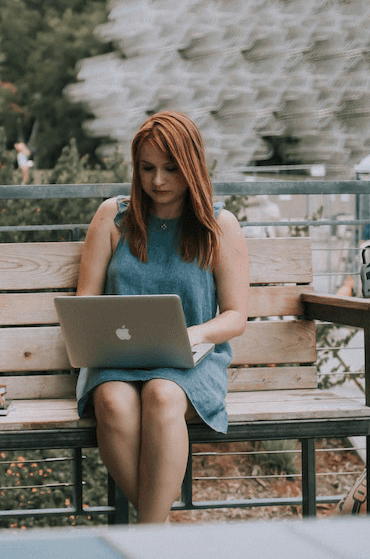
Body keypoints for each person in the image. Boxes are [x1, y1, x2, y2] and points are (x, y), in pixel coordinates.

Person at [74, 110, 249, 523]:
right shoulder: (112, 218)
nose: (157, 181)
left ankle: (149, 539)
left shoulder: (219, 226)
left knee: (161, 393)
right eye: (147, 168)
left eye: (171, 169)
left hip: (189, 362)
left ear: (193, 165)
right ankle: (160, 535)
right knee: (112, 403)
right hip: (116, 362)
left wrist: (192, 333)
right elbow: (84, 304)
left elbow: (237, 316)